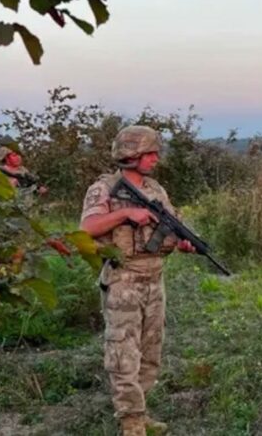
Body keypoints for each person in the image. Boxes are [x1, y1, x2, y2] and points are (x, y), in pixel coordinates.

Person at [80, 125, 195, 436]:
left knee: (150, 349)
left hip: (154, 278)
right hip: (123, 279)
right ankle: (130, 422)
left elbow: (170, 227)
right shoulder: (103, 189)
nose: (156, 158)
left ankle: (141, 413)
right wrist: (125, 213)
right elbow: (87, 228)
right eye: (150, 153)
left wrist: (183, 242)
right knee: (123, 351)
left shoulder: (155, 189)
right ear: (131, 156)